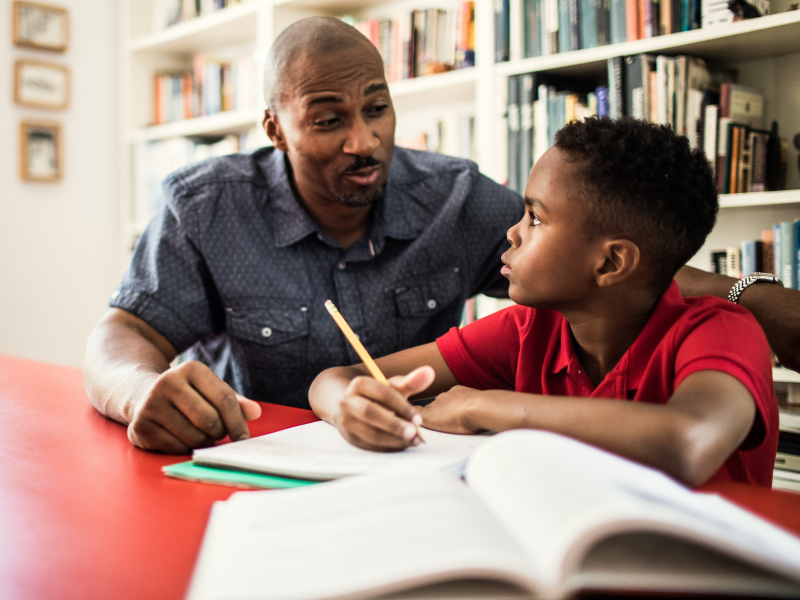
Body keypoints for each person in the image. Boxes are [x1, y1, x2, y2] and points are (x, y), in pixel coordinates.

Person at [83, 17, 523, 454]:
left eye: (376, 109)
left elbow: (575, 276)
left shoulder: (455, 197)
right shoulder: (206, 207)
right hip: (255, 466)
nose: (364, 142)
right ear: (275, 130)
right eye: (330, 120)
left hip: (414, 459)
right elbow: (123, 332)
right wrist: (139, 391)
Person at [309, 117, 778, 488]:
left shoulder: (724, 330)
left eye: (534, 217)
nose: (511, 233)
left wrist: (485, 407)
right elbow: (336, 379)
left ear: (612, 263)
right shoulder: (528, 330)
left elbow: (686, 442)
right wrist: (347, 406)